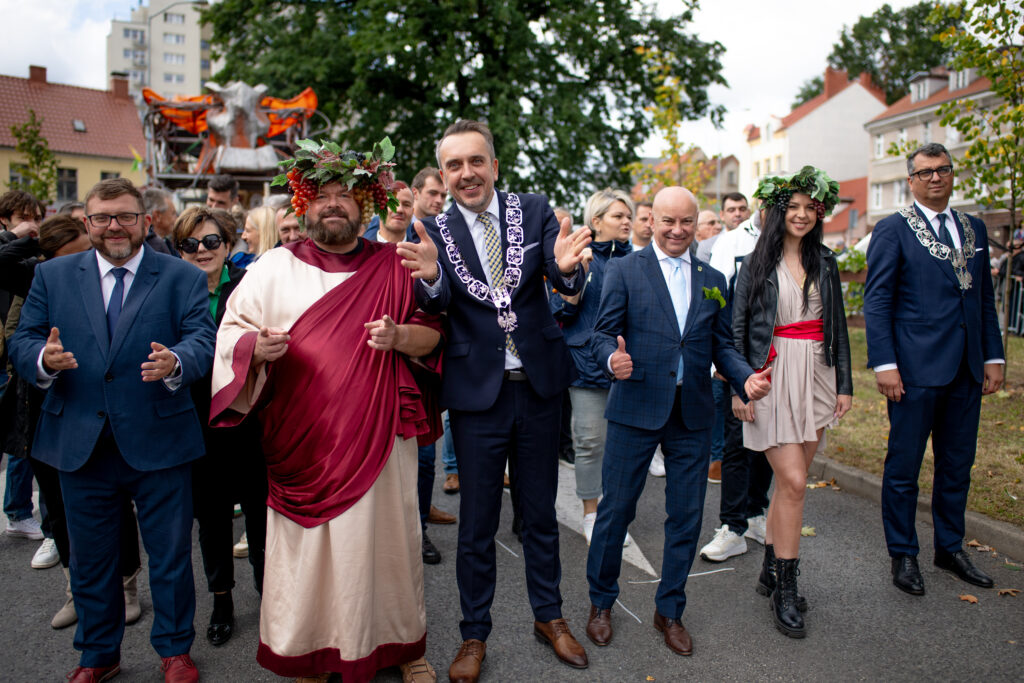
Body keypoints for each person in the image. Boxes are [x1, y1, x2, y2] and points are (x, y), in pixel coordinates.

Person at [210, 138, 441, 683]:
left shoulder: (395, 264)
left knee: (385, 546)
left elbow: (433, 340)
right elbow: (230, 337)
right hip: (302, 441)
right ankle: (309, 648)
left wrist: (400, 335)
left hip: (380, 436)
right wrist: (253, 351)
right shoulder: (272, 267)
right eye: (321, 196)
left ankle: (402, 646)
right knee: (308, 556)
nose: (333, 204)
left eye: (344, 195)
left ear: (364, 204)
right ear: (304, 205)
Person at [399, 119, 593, 681]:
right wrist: (433, 278)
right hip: (476, 396)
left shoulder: (532, 211)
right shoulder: (433, 229)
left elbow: (567, 287)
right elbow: (432, 304)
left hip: (537, 387)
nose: (466, 174)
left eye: (475, 162)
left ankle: (549, 617)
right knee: (477, 523)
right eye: (454, 165)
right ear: (444, 173)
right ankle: (473, 634)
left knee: (539, 515)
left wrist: (564, 272)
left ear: (494, 165)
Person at [9, 178, 216, 683]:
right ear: (87, 222)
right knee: (91, 561)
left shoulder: (180, 277)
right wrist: (42, 358)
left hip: (160, 437)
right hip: (79, 442)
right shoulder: (52, 276)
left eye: (124, 216)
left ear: (145, 220)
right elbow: (24, 339)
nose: (113, 227)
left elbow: (202, 340)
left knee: (169, 558)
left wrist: (175, 363)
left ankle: (174, 651)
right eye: (102, 218)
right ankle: (99, 654)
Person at [584, 186, 771, 657]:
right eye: (667, 220)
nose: (677, 230)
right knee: (615, 512)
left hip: (691, 414)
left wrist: (745, 379)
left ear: (694, 224)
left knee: (686, 517)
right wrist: (612, 361)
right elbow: (603, 333)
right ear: (652, 221)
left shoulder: (713, 277)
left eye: (686, 222)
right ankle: (601, 602)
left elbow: (722, 343)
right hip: (635, 407)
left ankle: (670, 609)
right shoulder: (626, 270)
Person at [864, 142, 1004, 596]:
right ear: (911, 179)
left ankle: (950, 547)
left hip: (966, 367)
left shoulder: (974, 228)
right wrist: (885, 363)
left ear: (951, 173)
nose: (935, 178)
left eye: (942, 170)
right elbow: (878, 300)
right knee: (904, 467)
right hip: (914, 369)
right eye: (925, 172)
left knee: (957, 464)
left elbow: (983, 297)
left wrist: (993, 356)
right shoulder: (893, 230)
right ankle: (903, 554)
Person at [733, 166, 853, 638]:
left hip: (817, 375)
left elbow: (838, 328)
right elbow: (737, 333)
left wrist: (844, 384)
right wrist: (739, 387)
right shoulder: (753, 265)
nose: (801, 215)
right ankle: (787, 588)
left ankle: (770, 566)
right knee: (797, 481)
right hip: (771, 375)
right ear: (778, 211)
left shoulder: (826, 261)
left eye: (810, 208)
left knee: (789, 488)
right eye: (793, 207)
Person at [172, 206, 267, 648]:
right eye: (190, 244)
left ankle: (271, 597)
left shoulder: (250, 288)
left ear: (229, 246)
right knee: (211, 521)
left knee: (261, 513)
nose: (202, 250)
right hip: (194, 425)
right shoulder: (170, 293)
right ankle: (223, 600)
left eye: (211, 241)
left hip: (250, 421)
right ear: (180, 250)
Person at [549, 188, 633, 544]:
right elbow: (561, 314)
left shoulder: (641, 261)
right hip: (585, 365)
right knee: (588, 442)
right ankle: (591, 513)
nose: (627, 222)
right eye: (618, 216)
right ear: (595, 221)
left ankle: (615, 513)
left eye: (629, 216)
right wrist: (573, 284)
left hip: (628, 365)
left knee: (624, 445)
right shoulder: (579, 257)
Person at [698, 196, 773, 563]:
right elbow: (720, 302)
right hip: (741, 357)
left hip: (781, 360)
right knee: (736, 442)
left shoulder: (795, 243)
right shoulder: (733, 242)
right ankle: (732, 525)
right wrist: (728, 368)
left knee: (769, 442)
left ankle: (757, 512)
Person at [142, 188, 177, 256]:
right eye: (173, 213)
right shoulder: (151, 248)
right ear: (157, 216)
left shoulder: (165, 243)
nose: (176, 219)